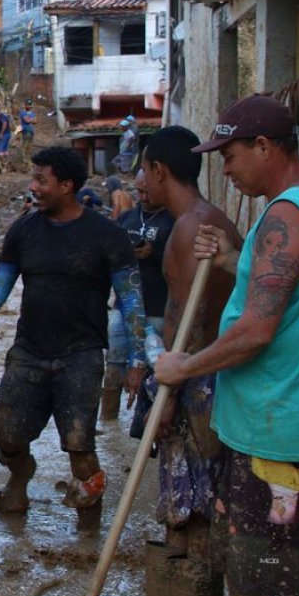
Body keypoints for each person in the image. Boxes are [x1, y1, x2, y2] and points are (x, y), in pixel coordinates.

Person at [155, 96, 299, 596]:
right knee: (280, 560)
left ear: (264, 147)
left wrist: (184, 366)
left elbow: (258, 330)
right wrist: (237, 256)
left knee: (283, 573)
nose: (225, 169)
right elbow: (291, 289)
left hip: (276, 424)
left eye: (231, 155)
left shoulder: (286, 213)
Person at [0, 147, 145, 529]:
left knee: (81, 449)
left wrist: (136, 360)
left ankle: (88, 531)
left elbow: (130, 301)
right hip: (28, 352)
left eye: (40, 180)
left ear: (67, 186)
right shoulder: (24, 230)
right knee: (8, 437)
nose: (33, 188)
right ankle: (20, 477)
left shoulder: (107, 236)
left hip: (81, 357)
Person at [106, 126, 241, 596]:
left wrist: (169, 396)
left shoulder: (193, 226)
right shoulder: (200, 222)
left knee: (200, 505)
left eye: (142, 171)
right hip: (193, 376)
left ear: (159, 170)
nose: (139, 182)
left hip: (196, 383)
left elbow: (192, 319)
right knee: (178, 505)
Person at [101, 168, 173, 421]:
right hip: (122, 309)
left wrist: (155, 253)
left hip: (158, 309)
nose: (143, 196)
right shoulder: (127, 219)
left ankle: (152, 425)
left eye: (147, 191)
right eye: (139, 191)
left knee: (156, 372)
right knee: (113, 368)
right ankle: (107, 426)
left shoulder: (175, 221)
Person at [0, 106, 13, 173]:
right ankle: (7, 166)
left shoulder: (2, 117)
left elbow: (4, 124)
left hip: (5, 134)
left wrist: (1, 133)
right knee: (5, 151)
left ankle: (3, 166)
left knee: (0, 151)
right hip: (8, 134)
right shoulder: (4, 116)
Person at [19, 98, 38, 164]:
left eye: (30, 105)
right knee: (25, 146)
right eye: (27, 104)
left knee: (30, 146)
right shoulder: (23, 112)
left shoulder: (33, 113)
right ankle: (24, 159)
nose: (29, 106)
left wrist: (30, 120)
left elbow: (36, 121)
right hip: (26, 131)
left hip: (32, 131)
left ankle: (28, 159)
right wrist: (31, 120)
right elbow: (26, 120)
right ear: (25, 105)